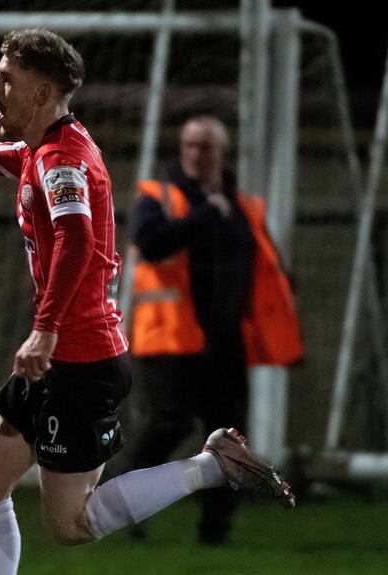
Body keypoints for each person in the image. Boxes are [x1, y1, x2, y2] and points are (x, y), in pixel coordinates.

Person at [0, 29, 294, 575]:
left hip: (81, 361)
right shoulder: (39, 150)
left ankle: (212, 467)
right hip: (60, 357)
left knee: (70, 525)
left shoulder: (62, 160)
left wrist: (45, 329)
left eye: (7, 78)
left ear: (41, 91)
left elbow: (77, 239)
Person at [126, 116, 304, 544]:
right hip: (173, 338)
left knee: (229, 437)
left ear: (221, 152)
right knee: (170, 424)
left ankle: (215, 532)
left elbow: (263, 265)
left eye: (205, 146)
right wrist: (204, 215)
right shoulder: (160, 197)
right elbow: (151, 243)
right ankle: (125, 505)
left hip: (225, 340)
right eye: (189, 144)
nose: (195, 153)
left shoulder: (243, 206)